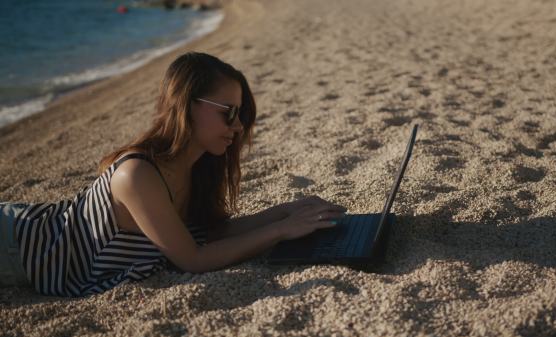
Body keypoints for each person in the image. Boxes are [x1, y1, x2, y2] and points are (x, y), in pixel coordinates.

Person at [0, 51, 346, 297]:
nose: (238, 127)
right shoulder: (137, 175)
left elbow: (211, 233)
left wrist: (287, 211)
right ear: (186, 104)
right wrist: (281, 230)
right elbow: (193, 259)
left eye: (241, 115)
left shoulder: (194, 168)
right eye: (229, 113)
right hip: (16, 243)